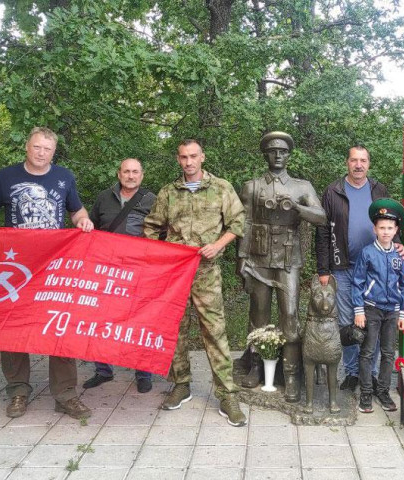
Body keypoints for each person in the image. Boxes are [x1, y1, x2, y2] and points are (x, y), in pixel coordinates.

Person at [0, 127, 94, 420]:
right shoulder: (6, 176)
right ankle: (17, 391)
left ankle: (65, 394)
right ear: (27, 147)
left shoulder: (64, 176)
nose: (42, 153)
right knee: (13, 327)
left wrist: (84, 221)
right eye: (37, 147)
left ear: (54, 152)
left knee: (59, 325)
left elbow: (77, 211)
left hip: (55, 266)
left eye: (47, 149)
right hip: (17, 265)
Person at [143, 139, 247, 427]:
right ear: (178, 160)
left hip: (206, 271)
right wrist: (161, 256)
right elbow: (151, 227)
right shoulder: (169, 192)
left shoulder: (221, 188)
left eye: (193, 156)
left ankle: (227, 394)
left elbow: (238, 222)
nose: (188, 162)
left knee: (214, 331)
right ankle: (181, 384)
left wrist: (218, 245)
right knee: (176, 330)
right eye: (183, 157)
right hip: (175, 273)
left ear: (202, 157)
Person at [238, 132, 326, 401]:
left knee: (290, 314)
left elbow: (321, 217)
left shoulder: (302, 186)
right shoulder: (252, 186)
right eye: (273, 151)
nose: (278, 156)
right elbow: (245, 224)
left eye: (283, 151)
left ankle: (291, 373)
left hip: (288, 259)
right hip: (258, 257)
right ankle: (256, 367)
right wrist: (242, 259)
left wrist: (297, 208)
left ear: (289, 155)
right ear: (265, 155)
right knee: (259, 314)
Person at [315, 145, 400, 392]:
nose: (358, 165)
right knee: (347, 322)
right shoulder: (333, 191)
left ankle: (370, 373)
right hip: (343, 267)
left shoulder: (379, 190)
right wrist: (323, 269)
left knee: (373, 320)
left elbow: (392, 222)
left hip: (375, 268)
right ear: (347, 163)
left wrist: (397, 244)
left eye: (363, 160)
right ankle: (352, 372)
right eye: (354, 160)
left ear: (369, 164)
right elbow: (322, 231)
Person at [83, 158, 156, 393]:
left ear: (142, 175)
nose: (131, 176)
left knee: (140, 322)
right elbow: (91, 229)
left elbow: (164, 234)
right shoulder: (104, 198)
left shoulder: (152, 200)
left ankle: (143, 373)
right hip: (107, 270)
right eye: (126, 171)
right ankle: (103, 370)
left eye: (135, 172)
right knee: (100, 320)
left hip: (139, 271)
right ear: (119, 174)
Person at [351, 198, 404, 413]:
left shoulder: (398, 255)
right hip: (371, 309)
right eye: (382, 227)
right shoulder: (367, 253)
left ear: (396, 230)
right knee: (367, 352)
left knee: (388, 353)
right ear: (375, 229)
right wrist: (359, 311)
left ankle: (383, 391)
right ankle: (366, 392)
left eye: (390, 228)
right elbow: (358, 282)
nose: (386, 232)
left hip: (392, 311)